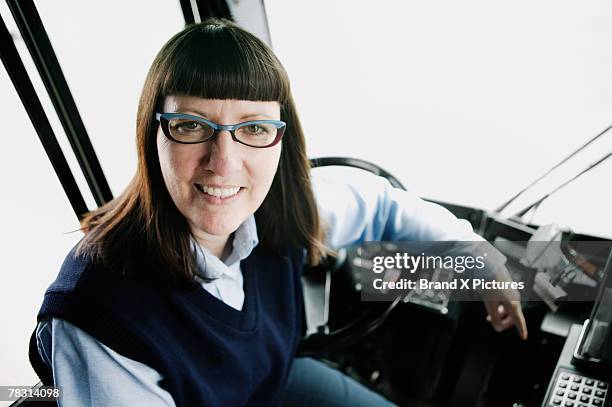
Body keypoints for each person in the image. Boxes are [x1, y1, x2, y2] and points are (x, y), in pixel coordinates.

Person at [29, 18, 527, 406]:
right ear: (152, 134)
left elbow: (382, 206)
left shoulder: (284, 209)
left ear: (280, 140)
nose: (223, 164)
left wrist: (480, 262)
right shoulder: (99, 317)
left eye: (253, 128)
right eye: (190, 125)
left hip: (270, 384)